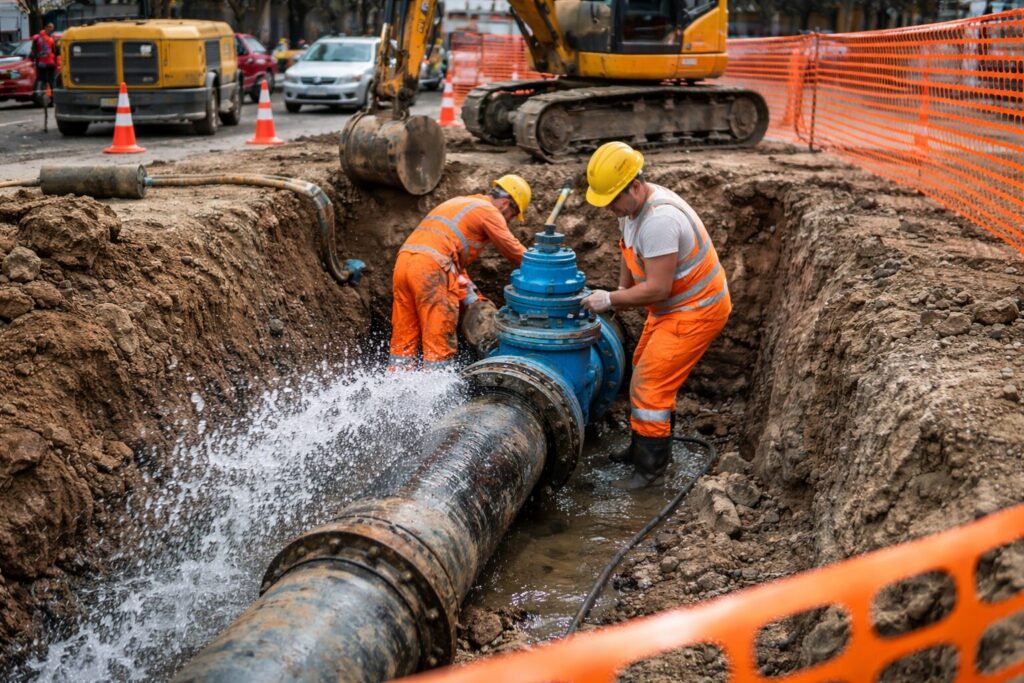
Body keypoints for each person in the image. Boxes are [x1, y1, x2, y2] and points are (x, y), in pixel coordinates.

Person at [581, 142, 731, 489]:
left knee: (650, 387)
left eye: (613, 200)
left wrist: (609, 299)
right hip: (672, 308)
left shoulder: (660, 221)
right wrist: (618, 295)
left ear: (635, 186)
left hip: (695, 310)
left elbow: (658, 289)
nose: (609, 209)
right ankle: (642, 448)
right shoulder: (631, 210)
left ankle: (650, 473)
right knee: (644, 373)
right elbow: (627, 250)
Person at [390, 175, 532, 370]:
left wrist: (474, 299)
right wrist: (544, 266)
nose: (510, 221)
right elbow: (514, 251)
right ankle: (436, 393)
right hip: (431, 269)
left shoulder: (461, 202)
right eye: (513, 216)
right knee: (438, 340)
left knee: (404, 339)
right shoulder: (489, 211)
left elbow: (454, 268)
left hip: (404, 264)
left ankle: (396, 386)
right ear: (507, 204)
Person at [31, 23, 56, 101]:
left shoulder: (39, 38)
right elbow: (54, 51)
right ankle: (49, 96)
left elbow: (33, 51)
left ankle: (44, 95)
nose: (51, 29)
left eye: (52, 27)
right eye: (49, 27)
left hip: (45, 63)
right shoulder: (47, 39)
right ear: (45, 27)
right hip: (46, 62)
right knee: (48, 79)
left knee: (45, 79)